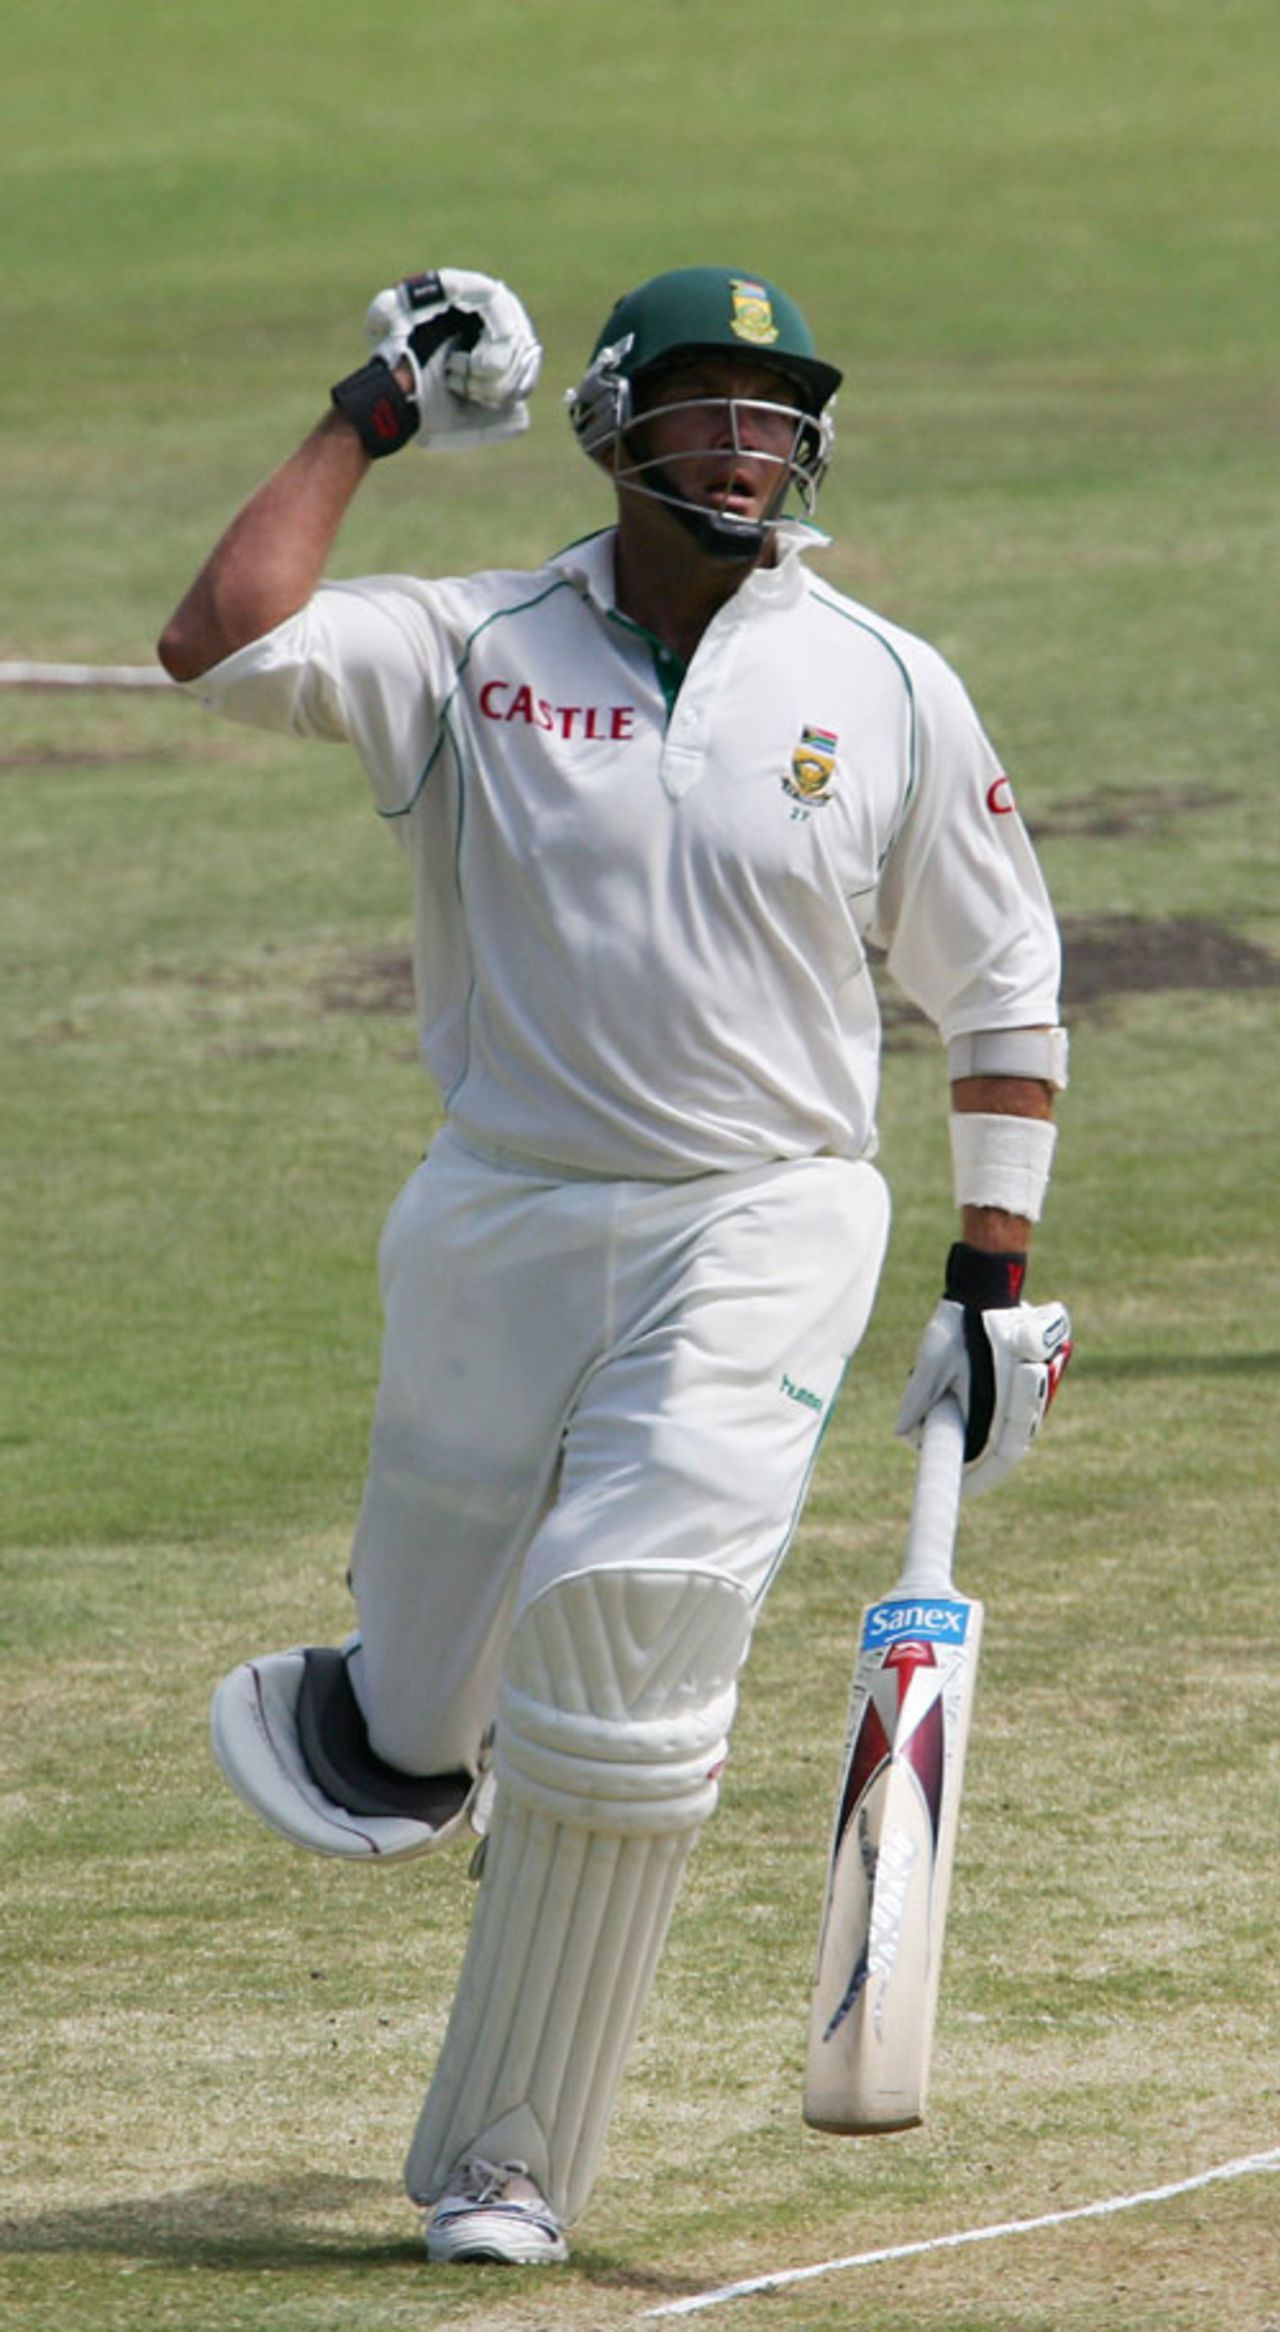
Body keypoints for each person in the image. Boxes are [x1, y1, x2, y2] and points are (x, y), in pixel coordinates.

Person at [158, 263, 1071, 2267]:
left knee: (630, 1628)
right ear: (612, 423)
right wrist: (367, 416)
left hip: (766, 1209)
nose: (748, 442)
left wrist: (987, 1277)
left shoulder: (883, 682)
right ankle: (424, 1736)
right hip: (499, 1208)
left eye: (778, 409)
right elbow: (216, 640)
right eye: (708, 405)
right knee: (406, 1731)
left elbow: (1003, 991)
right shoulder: (474, 642)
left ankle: (508, 2157)